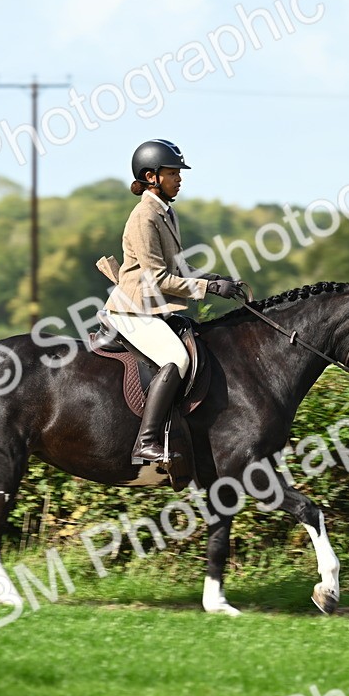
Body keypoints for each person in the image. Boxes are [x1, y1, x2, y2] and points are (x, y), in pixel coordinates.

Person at [99, 139, 240, 463]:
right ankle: (146, 441)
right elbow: (156, 279)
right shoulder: (144, 217)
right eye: (173, 172)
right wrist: (207, 290)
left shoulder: (166, 213)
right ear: (151, 176)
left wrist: (215, 280)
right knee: (176, 358)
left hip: (155, 307)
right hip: (132, 309)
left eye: (178, 173)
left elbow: (178, 269)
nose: (179, 179)